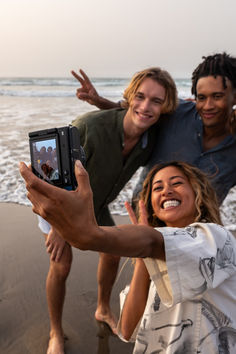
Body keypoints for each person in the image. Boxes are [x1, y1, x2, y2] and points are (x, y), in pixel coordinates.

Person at [19, 160, 236, 353]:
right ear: (151, 206)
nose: (166, 190)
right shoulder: (150, 253)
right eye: (157, 188)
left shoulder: (217, 239)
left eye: (177, 183)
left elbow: (154, 241)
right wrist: (143, 258)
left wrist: (90, 235)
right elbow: (127, 328)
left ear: (197, 193)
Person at [36, 67, 178, 353]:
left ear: (166, 107)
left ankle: (102, 309)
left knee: (112, 253)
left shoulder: (149, 139)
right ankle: (55, 332)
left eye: (156, 101)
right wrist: (59, 225)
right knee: (61, 265)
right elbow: (46, 172)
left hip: (96, 204)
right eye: (140, 97)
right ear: (129, 96)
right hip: (59, 203)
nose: (145, 107)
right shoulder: (89, 126)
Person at [76, 53, 236, 205]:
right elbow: (137, 112)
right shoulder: (177, 113)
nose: (208, 106)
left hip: (196, 230)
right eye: (201, 97)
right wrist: (98, 101)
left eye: (217, 96)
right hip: (145, 219)